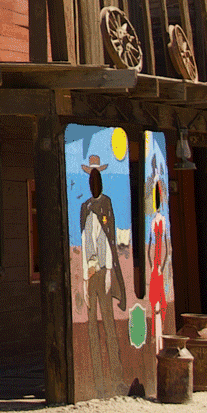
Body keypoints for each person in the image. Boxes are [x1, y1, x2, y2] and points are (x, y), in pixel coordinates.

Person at [80, 153, 129, 398]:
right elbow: (85, 241)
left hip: (104, 270)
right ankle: (97, 380)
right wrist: (84, 277)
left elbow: (108, 239)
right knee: (92, 327)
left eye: (97, 177)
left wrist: (109, 270)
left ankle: (117, 378)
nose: (94, 182)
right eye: (92, 177)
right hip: (91, 273)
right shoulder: (85, 208)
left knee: (108, 324)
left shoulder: (105, 204)